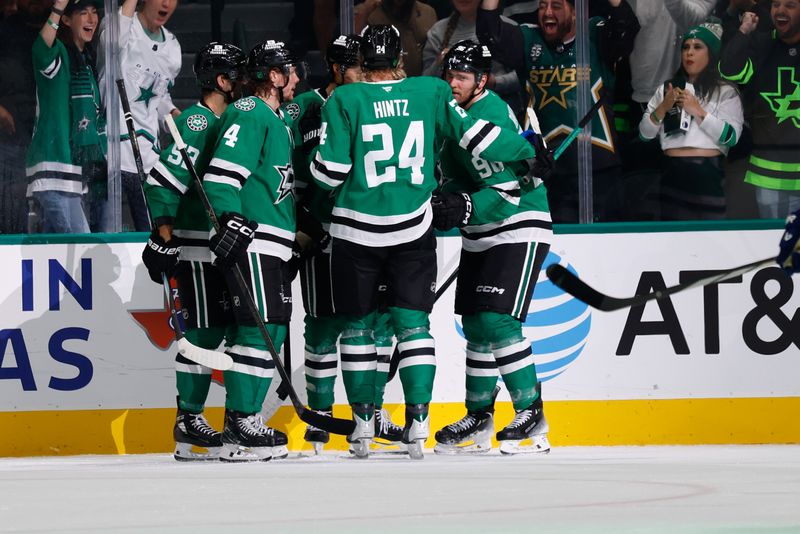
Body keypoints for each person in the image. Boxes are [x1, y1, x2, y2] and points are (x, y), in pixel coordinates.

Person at [310, 24, 540, 459]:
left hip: (356, 232)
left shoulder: (344, 98)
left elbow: (328, 174)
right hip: (413, 229)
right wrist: (526, 146)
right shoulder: (430, 92)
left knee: (359, 329)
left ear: (362, 62)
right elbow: (475, 136)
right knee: (414, 327)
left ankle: (363, 423)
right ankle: (419, 423)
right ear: (401, 59)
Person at [141, 42, 279, 461]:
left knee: (227, 331)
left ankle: (222, 419)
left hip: (218, 245)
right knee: (203, 334)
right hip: (198, 246)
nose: (249, 84)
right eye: (240, 76)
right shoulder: (201, 120)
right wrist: (165, 234)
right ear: (223, 82)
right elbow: (161, 181)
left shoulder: (228, 120)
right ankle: (189, 419)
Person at [429, 41, 552, 455]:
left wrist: (463, 204)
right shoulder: (451, 115)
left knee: (499, 323)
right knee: (478, 327)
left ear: (481, 80)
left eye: (462, 76)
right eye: (450, 75)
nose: (454, 83)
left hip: (518, 223)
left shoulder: (492, 113)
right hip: (481, 231)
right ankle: (479, 417)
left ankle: (532, 412)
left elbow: (508, 190)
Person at [286, 34, 405, 454]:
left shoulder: (379, 101)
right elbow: (279, 169)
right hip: (322, 231)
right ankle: (319, 417)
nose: (366, 73)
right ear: (338, 68)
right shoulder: (301, 110)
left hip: (373, 232)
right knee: (322, 324)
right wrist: (300, 222)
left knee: (378, 324)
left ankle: (368, 411)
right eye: (357, 66)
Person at [199, 40, 300, 462]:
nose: (296, 77)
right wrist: (230, 219)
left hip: (272, 244)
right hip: (253, 242)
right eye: (289, 70)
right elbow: (221, 175)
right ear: (274, 77)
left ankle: (245, 421)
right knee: (256, 332)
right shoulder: (250, 112)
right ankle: (241, 424)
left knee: (271, 330)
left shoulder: (277, 120)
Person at [476, 0, 640, 223]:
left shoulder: (593, 33)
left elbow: (626, 25)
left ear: (575, 12)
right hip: (549, 171)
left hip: (600, 170)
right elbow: (489, 33)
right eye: (543, 5)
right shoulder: (528, 39)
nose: (547, 12)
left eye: (557, 6)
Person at [638, 22, 744, 220]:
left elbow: (731, 137)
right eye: (686, 47)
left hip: (709, 172)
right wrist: (663, 107)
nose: (689, 53)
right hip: (672, 172)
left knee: (710, 238)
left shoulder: (726, 91)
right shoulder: (667, 89)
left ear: (711, 53)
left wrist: (698, 111)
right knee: (674, 241)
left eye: (697, 47)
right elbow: (645, 134)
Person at [97, 0, 181, 231]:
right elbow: (111, 44)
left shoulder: (172, 47)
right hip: (110, 153)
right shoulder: (119, 24)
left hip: (147, 157)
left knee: (153, 235)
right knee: (103, 234)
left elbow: (160, 96)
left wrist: (172, 114)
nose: (166, 3)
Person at [25, 0, 105, 234]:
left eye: (94, 12)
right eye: (83, 13)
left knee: (71, 248)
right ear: (67, 20)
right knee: (77, 244)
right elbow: (40, 49)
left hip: (73, 175)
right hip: (51, 170)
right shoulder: (58, 53)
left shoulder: (88, 65)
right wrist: (59, 6)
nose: (91, 19)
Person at [719, 0, 800, 219]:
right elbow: (729, 71)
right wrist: (744, 31)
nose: (780, 10)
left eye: (790, 5)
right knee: (780, 250)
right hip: (771, 174)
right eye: (776, 4)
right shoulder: (762, 44)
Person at [422, 0, 522, 115]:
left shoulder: (507, 29)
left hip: (499, 113)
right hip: (452, 115)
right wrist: (441, 60)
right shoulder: (438, 31)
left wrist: (495, 82)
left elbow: (524, 77)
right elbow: (425, 81)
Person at [354, 0, 437, 77]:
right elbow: (357, 50)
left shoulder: (428, 13)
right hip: (386, 82)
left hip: (423, 83)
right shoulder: (372, 15)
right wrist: (365, 12)